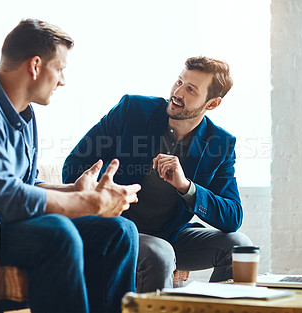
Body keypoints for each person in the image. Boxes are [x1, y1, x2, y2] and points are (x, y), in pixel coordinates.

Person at [0, 19, 141, 313]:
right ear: (36, 65)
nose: (63, 80)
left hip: (1, 227)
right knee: (56, 232)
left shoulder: (25, 115)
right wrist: (87, 202)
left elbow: (26, 183)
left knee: (119, 231)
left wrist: (71, 190)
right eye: (60, 69)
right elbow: (0, 195)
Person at [63, 56, 253, 292]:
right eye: (179, 81)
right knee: (160, 253)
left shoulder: (220, 143)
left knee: (239, 247)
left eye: (191, 89)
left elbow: (232, 216)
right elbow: (74, 164)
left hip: (172, 235)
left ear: (212, 104)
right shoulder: (132, 110)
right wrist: (100, 190)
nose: (178, 92)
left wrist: (186, 187)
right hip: (120, 227)